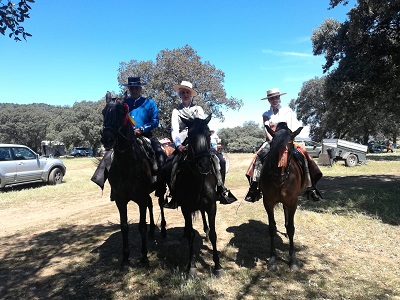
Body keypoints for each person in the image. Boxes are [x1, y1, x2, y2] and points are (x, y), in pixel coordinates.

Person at [163, 80, 237, 208]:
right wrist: (179, 145)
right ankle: (173, 193)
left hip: (199, 142)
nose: (185, 94)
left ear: (191, 94)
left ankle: (221, 189)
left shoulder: (198, 109)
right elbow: (174, 129)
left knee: (221, 160)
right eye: (183, 92)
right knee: (169, 164)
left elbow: (203, 126)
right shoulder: (176, 111)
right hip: (182, 142)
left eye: (187, 92)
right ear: (180, 94)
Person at [244, 88, 323, 202]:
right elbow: (266, 130)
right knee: (258, 158)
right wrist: (273, 141)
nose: (274, 100)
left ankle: (310, 187)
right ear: (269, 100)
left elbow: (289, 128)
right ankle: (254, 188)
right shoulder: (266, 114)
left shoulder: (287, 111)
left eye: (276, 97)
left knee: (303, 156)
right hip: (271, 141)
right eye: (272, 98)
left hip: (286, 139)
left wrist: (284, 141)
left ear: (279, 98)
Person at [91, 76, 165, 190]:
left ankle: (160, 182)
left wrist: (142, 129)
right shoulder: (123, 103)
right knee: (107, 156)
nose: (134, 90)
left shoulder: (150, 103)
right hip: (125, 137)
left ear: (140, 88)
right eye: (131, 87)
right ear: (129, 88)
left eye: (136, 87)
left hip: (145, 135)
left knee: (159, 152)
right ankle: (110, 184)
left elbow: (155, 121)